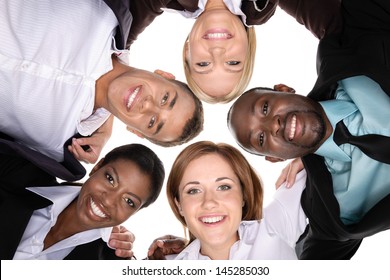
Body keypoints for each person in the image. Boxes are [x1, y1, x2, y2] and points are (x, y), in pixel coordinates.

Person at [227, 0, 390, 259]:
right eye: (260, 138)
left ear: (283, 89)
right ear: (275, 158)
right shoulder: (329, 214)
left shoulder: (346, 44)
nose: (274, 126)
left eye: (266, 109)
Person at [0, 0, 204, 169]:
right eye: (165, 98)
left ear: (136, 132)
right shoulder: (108, 14)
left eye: (152, 122)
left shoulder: (59, 148)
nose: (147, 106)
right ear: (164, 75)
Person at [129, 0, 342, 103]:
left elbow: (115, 46)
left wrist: (104, 115)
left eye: (203, 64)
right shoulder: (260, 5)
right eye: (233, 63)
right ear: (247, 50)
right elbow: (340, 31)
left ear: (187, 51)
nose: (217, 52)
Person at [0, 143, 165, 260]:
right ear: (97, 167)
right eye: (110, 179)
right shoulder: (18, 174)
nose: (108, 200)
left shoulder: (111, 263)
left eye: (129, 201)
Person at [152, 141, 306, 260]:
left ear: (244, 195)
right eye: (193, 190)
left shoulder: (274, 226)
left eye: (224, 187)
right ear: (179, 205)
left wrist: (307, 158)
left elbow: (325, 150)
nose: (209, 202)